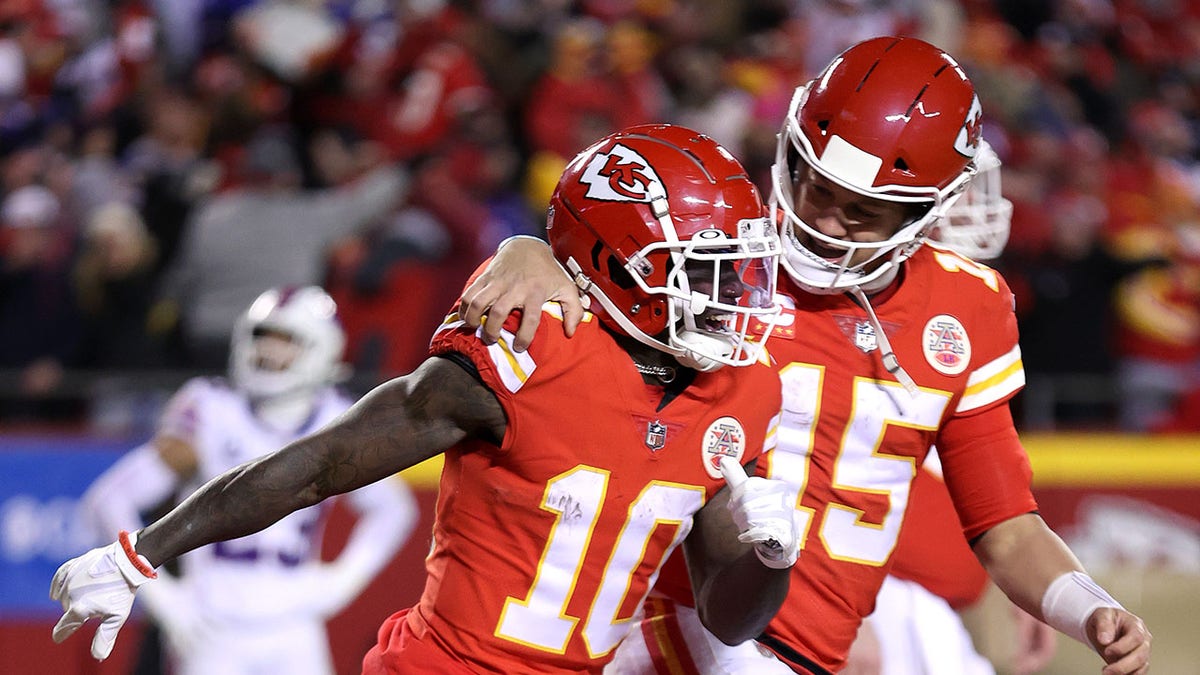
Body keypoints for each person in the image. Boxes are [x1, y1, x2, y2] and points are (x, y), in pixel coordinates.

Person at [455, 37, 1153, 674]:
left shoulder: (969, 307)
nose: (821, 216)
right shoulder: (717, 253)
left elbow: (1003, 522)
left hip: (813, 651)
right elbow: (598, 246)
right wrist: (537, 252)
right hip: (676, 614)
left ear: (923, 210)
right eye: (813, 181)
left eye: (860, 209)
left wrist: (1086, 606)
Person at [49, 124, 802, 674]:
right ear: (608, 262)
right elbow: (321, 463)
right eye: (704, 272)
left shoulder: (745, 388)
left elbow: (730, 619)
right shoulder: (534, 347)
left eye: (735, 271)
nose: (729, 298)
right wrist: (142, 553)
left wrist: (771, 555)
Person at [78, 284, 418, 675]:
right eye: (263, 337)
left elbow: (394, 509)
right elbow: (109, 501)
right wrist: (166, 599)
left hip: (293, 623)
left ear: (321, 349)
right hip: (213, 622)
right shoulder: (211, 407)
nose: (270, 352)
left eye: (286, 341)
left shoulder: (335, 419)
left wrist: (346, 579)